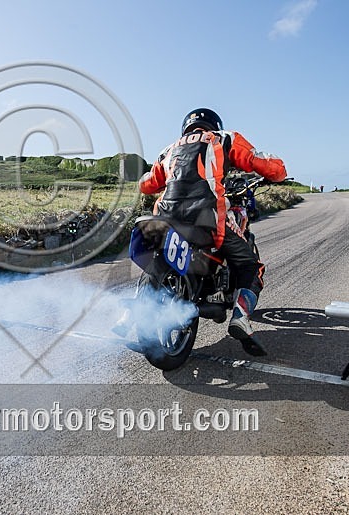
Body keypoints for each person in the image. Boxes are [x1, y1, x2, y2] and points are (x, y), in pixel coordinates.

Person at [116, 108, 286, 356]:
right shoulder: (224, 138)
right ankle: (240, 318)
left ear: (186, 127)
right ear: (214, 124)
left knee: (154, 261)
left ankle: (128, 316)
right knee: (251, 266)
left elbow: (147, 184)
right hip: (207, 218)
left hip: (165, 216)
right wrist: (278, 171)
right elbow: (267, 165)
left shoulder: (169, 150)